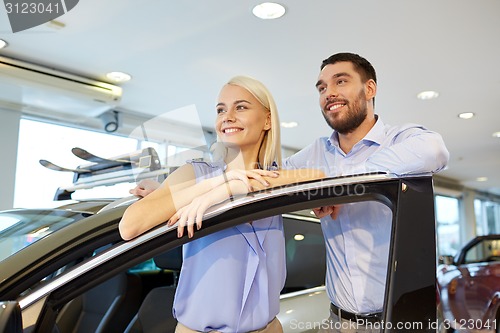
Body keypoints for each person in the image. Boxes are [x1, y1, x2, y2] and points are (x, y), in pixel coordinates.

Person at [119, 75, 324, 333]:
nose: (227, 116)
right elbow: (130, 226)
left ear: (268, 120)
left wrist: (236, 187)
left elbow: (319, 177)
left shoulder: (276, 179)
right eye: (220, 109)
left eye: (241, 107)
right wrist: (216, 185)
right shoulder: (195, 173)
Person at [283, 52, 449, 333]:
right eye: (322, 88)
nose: (329, 93)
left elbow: (435, 151)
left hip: (400, 322)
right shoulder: (315, 154)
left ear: (369, 89)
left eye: (341, 82)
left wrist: (336, 185)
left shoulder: (399, 139)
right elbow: (272, 178)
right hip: (338, 322)